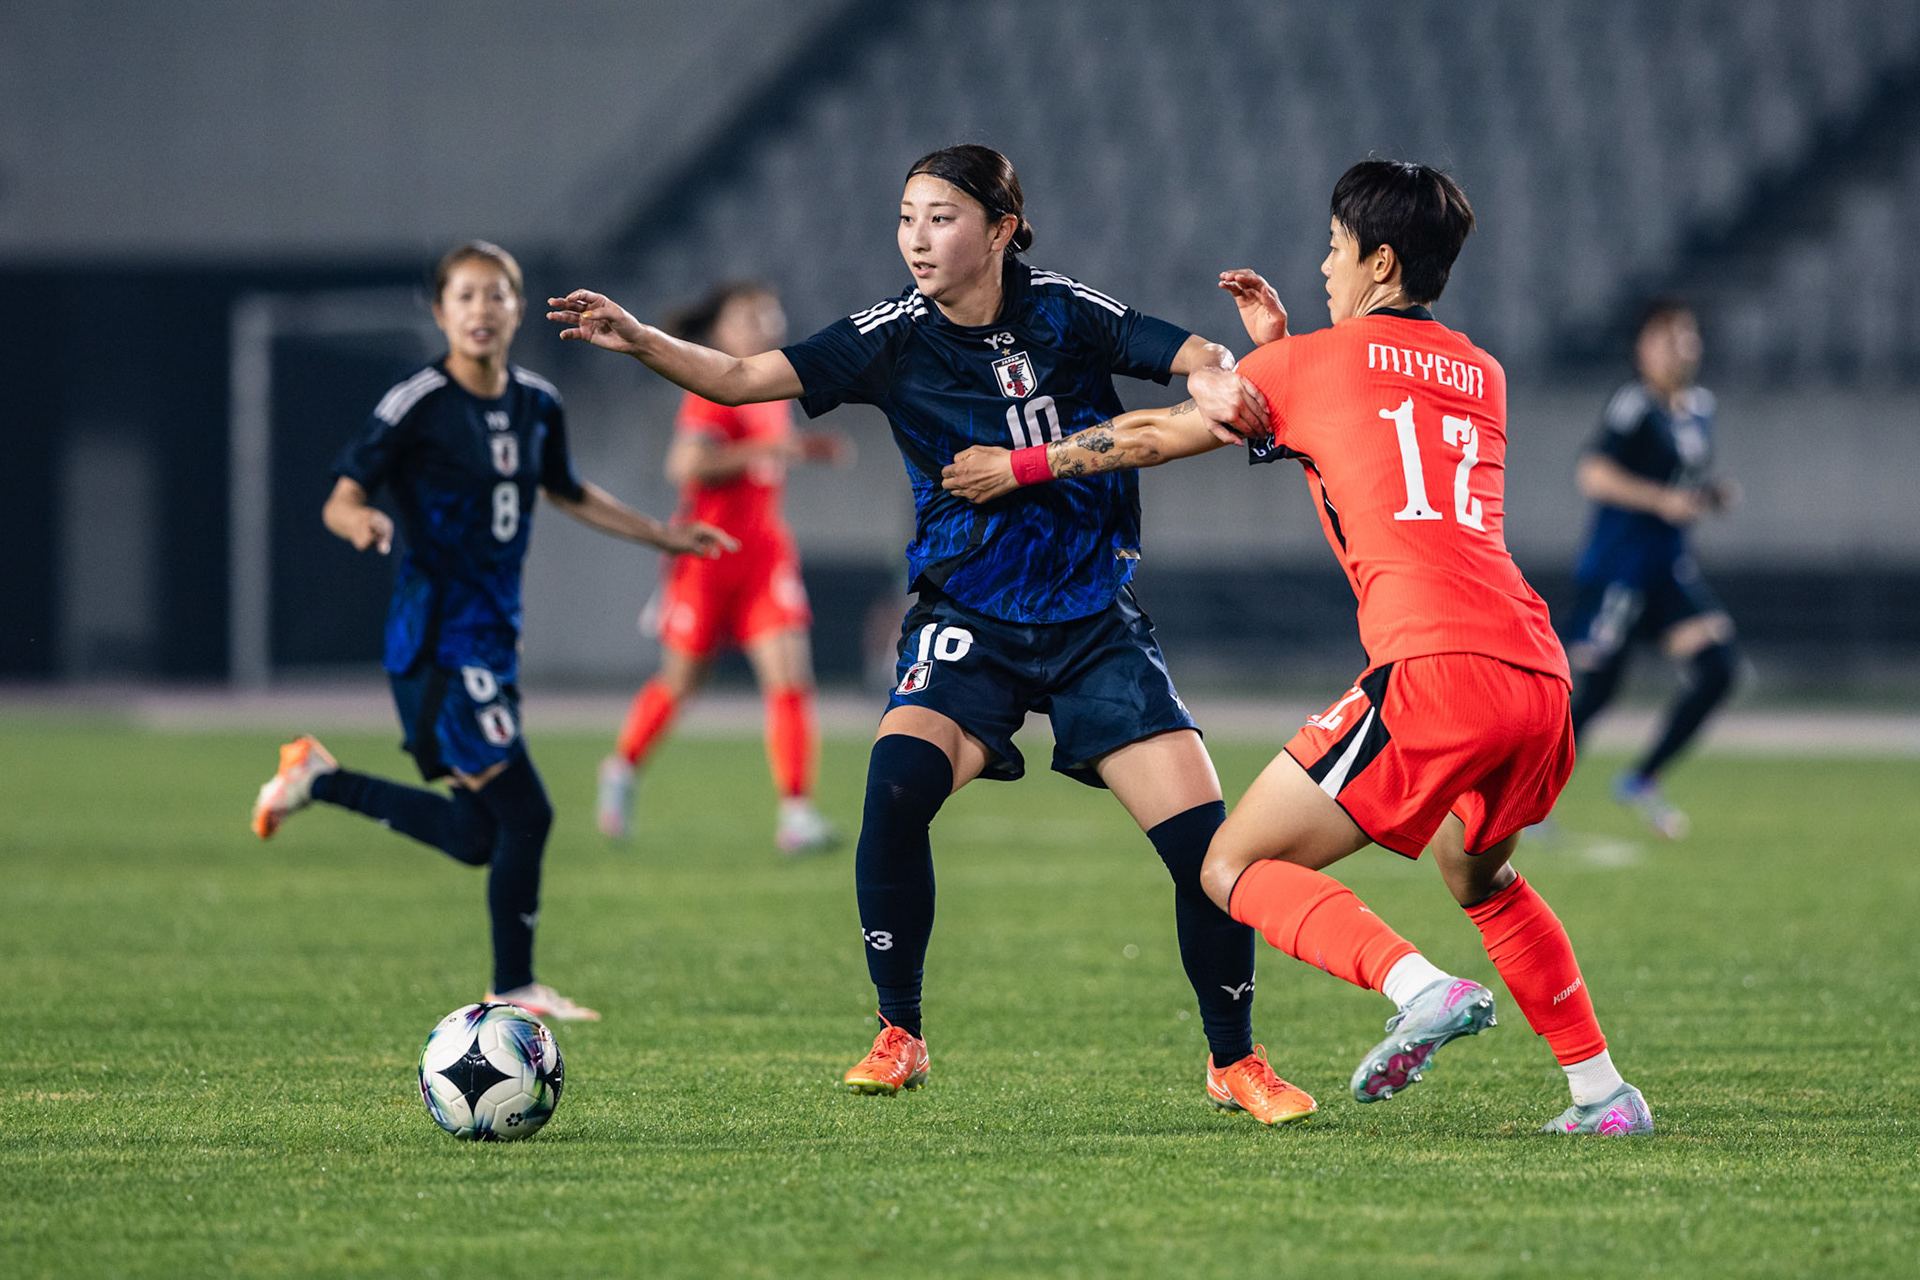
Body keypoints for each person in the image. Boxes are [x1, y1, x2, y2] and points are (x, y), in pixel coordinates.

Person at [548, 144, 1311, 1124]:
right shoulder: (888, 335)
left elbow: (1198, 355)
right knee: (894, 788)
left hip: (1091, 619)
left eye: (941, 217)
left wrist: (1215, 374)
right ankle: (898, 1030)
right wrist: (643, 336)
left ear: (1000, 230)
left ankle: (1233, 1058)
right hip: (967, 618)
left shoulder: (1067, 311)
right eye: (907, 216)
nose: (916, 236)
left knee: (1209, 851)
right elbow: (738, 378)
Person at [942, 159, 1653, 1135]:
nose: (1322, 264)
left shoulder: (1311, 363)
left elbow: (1154, 431)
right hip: (1536, 671)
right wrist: (1281, 357)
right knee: (1478, 873)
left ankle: (1418, 987)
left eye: (1332, 246)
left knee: (1231, 864)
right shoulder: (1482, 372)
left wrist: (1020, 464)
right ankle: (1603, 1092)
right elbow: (1365, 429)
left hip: (1434, 666)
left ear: (1381, 257)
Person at [250, 240, 735, 1022]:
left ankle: (319, 778)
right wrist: (361, 520)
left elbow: (566, 490)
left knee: (481, 836)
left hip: (491, 639)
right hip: (438, 637)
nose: (481, 310)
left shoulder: (537, 402)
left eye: (496, 295)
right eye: (465, 297)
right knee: (527, 812)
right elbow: (340, 496)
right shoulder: (417, 402)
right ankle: (513, 989)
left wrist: (662, 534)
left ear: (517, 309)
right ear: (440, 312)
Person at [596, 281, 851, 856]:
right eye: (750, 316)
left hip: (763, 558)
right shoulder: (712, 389)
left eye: (770, 313)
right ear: (719, 331)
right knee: (681, 683)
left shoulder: (773, 388)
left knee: (791, 680)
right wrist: (763, 453)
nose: (765, 323)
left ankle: (796, 813)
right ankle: (621, 768)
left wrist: (801, 451)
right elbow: (685, 465)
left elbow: (760, 461)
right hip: (706, 557)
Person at [1564, 300, 1740, 838]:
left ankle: (1642, 778)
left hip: (1666, 570)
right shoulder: (1634, 405)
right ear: (1643, 349)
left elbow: (1678, 486)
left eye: (1685, 336)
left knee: (1719, 667)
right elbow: (1593, 474)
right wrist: (1660, 499)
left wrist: (1706, 498)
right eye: (1665, 338)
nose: (1678, 347)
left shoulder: (1700, 408)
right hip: (1620, 570)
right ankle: (1521, 797)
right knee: (1595, 690)